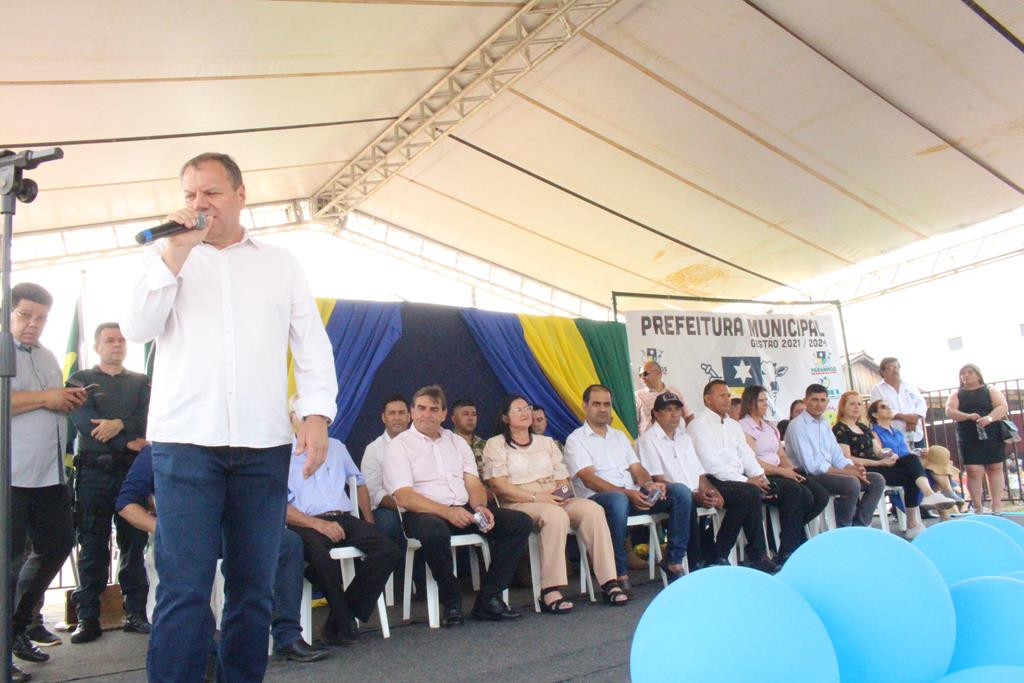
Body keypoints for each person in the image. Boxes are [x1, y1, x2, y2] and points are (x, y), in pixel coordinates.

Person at [120, 152, 338, 682]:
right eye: (190, 195)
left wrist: (316, 414)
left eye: (211, 193)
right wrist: (174, 254)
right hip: (185, 445)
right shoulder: (162, 257)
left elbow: (311, 344)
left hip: (261, 447)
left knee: (252, 589)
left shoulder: (279, 261)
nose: (199, 205)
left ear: (241, 195)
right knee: (184, 588)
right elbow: (138, 327)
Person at [115, 447, 329, 663]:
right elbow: (126, 504)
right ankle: (204, 651)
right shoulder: (157, 448)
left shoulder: (230, 445)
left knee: (288, 543)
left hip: (231, 529)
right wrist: (167, 529)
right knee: (190, 575)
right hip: (187, 532)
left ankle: (287, 635)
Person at [383, 385, 531, 627]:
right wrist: (447, 512)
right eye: (421, 408)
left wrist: (481, 507)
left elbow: (473, 483)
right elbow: (404, 496)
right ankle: (451, 599)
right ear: (411, 412)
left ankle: (489, 598)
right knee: (434, 531)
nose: (426, 414)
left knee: (519, 523)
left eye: (433, 409)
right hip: (424, 513)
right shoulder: (399, 446)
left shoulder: (457, 442)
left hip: (464, 509)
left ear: (443, 414)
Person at [482, 394, 627, 612]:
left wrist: (560, 493)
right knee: (554, 515)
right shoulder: (496, 444)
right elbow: (499, 485)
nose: (525, 413)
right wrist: (537, 497)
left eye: (527, 408)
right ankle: (550, 589)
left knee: (593, 509)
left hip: (554, 496)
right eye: (518, 409)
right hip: (520, 501)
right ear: (505, 417)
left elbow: (562, 476)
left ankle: (609, 581)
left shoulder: (546, 442)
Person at [8, 283, 84, 681]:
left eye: (40, 318)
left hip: (50, 474)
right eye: (25, 315)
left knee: (57, 545)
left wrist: (68, 398)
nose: (33, 324)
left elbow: (51, 398)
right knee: (7, 563)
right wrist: (47, 398)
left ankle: (18, 627)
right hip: (11, 477)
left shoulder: (49, 356)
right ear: (9, 312)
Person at [285, 406, 401, 646]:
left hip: (343, 516)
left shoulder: (337, 447)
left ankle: (338, 619)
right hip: (305, 522)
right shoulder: (283, 454)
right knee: (319, 557)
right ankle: (344, 621)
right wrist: (317, 524)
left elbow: (358, 483)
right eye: (304, 417)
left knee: (388, 550)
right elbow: (279, 505)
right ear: (292, 419)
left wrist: (368, 520)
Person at [66, 322, 151, 644]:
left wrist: (118, 424)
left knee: (134, 545)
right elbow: (86, 424)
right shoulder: (81, 381)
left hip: (132, 474)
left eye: (121, 340)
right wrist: (126, 440)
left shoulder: (142, 382)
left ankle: (136, 613)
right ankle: (88, 617)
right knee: (92, 545)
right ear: (97, 345)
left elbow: (149, 417)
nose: (116, 344)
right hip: (94, 474)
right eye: (109, 340)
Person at [564, 384, 692, 586]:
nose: (603, 409)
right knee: (617, 500)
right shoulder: (576, 440)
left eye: (607, 404)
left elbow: (637, 468)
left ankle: (673, 559)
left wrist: (650, 484)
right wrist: (627, 493)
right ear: (585, 406)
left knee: (680, 492)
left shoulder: (619, 436)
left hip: (631, 496)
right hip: (599, 501)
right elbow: (589, 479)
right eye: (596, 404)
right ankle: (618, 572)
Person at [685, 383, 779, 572]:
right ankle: (753, 553)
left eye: (728, 395)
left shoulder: (733, 425)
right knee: (749, 493)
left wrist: (759, 477)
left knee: (772, 490)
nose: (727, 399)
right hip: (711, 479)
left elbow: (746, 455)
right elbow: (710, 463)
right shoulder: (698, 425)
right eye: (722, 395)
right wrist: (746, 481)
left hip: (737, 478)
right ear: (707, 399)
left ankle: (720, 553)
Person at [835, 394, 954, 539]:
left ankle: (926, 498)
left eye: (859, 404)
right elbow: (848, 458)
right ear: (843, 407)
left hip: (879, 464)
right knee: (911, 472)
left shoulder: (863, 427)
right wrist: (879, 462)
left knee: (911, 462)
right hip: (863, 468)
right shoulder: (840, 429)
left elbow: (878, 451)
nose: (856, 407)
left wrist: (888, 455)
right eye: (852, 404)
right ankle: (914, 519)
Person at [637, 392, 731, 569]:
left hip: (692, 493)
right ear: (656, 413)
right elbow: (657, 480)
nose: (675, 415)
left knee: (733, 497)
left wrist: (712, 492)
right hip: (666, 495)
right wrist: (694, 496)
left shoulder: (684, 438)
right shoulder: (647, 440)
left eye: (677, 410)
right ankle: (691, 562)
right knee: (684, 498)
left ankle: (715, 556)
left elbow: (700, 475)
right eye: (668, 410)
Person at [738, 385, 829, 562]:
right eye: (760, 401)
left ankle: (790, 533)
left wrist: (791, 470)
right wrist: (783, 472)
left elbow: (781, 454)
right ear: (750, 403)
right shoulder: (743, 427)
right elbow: (752, 460)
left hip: (781, 471)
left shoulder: (770, 426)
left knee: (819, 494)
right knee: (797, 493)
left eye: (766, 400)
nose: (765, 404)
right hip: (762, 475)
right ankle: (787, 549)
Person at [785, 384, 885, 528]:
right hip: (808, 476)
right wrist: (847, 472)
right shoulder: (797, 426)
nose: (819, 404)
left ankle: (859, 527)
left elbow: (837, 456)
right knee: (851, 483)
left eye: (823, 400)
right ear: (805, 401)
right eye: (814, 400)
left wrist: (853, 468)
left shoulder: (823, 423)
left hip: (829, 472)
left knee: (877, 480)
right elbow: (811, 467)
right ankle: (844, 529)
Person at [360, 395, 423, 591]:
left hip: (421, 504)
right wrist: (401, 504)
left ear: (410, 416)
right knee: (388, 523)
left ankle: (424, 580)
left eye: (401, 413)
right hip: (389, 506)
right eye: (392, 413)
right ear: (383, 418)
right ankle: (401, 582)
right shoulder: (374, 449)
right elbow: (373, 491)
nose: (397, 418)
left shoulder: (422, 444)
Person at [945, 364, 1009, 514]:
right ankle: (978, 506)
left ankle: (996, 505)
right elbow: (950, 411)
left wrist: (990, 418)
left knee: (995, 467)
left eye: (969, 372)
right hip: (968, 434)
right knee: (973, 470)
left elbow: (1002, 406)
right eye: (963, 373)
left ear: (978, 375)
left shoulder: (990, 390)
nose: (966, 375)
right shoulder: (957, 394)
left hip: (992, 432)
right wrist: (967, 416)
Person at [869, 357, 928, 448]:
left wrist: (915, 418)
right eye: (890, 368)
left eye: (896, 367)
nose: (895, 370)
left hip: (916, 432)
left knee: (921, 460)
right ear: (882, 372)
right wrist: (905, 418)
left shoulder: (910, 385)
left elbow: (921, 403)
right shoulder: (877, 390)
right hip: (894, 437)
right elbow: (879, 410)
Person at [634, 360, 694, 433]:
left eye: (645, 374)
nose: (642, 377)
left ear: (658, 373)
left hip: (675, 441)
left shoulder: (675, 391)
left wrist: (688, 435)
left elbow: (689, 416)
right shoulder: (637, 396)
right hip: (650, 442)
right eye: (640, 375)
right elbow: (632, 423)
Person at [450, 398, 486, 477]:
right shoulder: (446, 442)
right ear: (454, 419)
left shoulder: (485, 445)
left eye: (474, 414)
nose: (470, 418)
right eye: (465, 414)